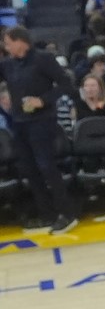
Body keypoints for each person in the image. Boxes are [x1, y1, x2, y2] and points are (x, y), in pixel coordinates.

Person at [0, 26, 77, 234]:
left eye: (7, 42)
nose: (5, 47)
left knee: (47, 167)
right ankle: (47, 215)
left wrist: (42, 100)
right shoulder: (7, 65)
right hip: (19, 122)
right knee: (30, 169)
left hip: (42, 121)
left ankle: (67, 214)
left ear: (20, 42)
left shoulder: (43, 59)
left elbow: (66, 84)